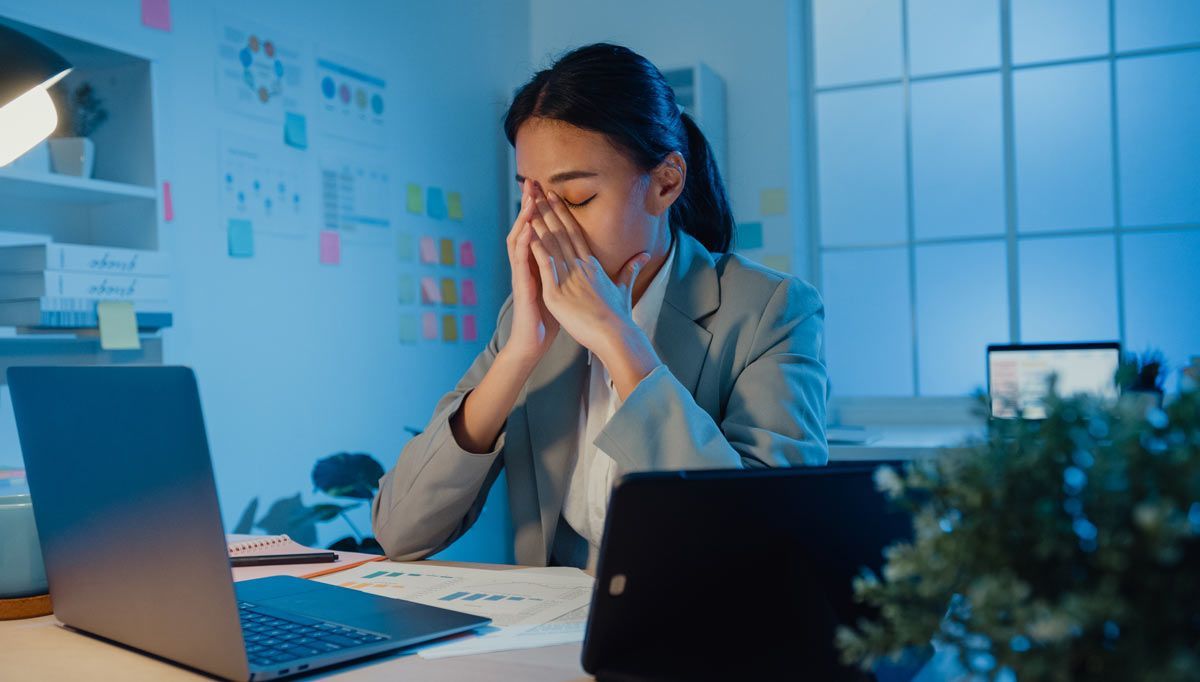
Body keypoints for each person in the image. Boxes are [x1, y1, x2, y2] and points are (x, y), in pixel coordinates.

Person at [372, 43, 827, 569]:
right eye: (532, 198)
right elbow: (398, 531)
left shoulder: (772, 309)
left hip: (703, 632)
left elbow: (766, 540)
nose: (545, 226)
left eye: (578, 199)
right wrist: (519, 353)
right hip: (556, 638)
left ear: (666, 182)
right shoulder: (529, 316)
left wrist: (619, 338)